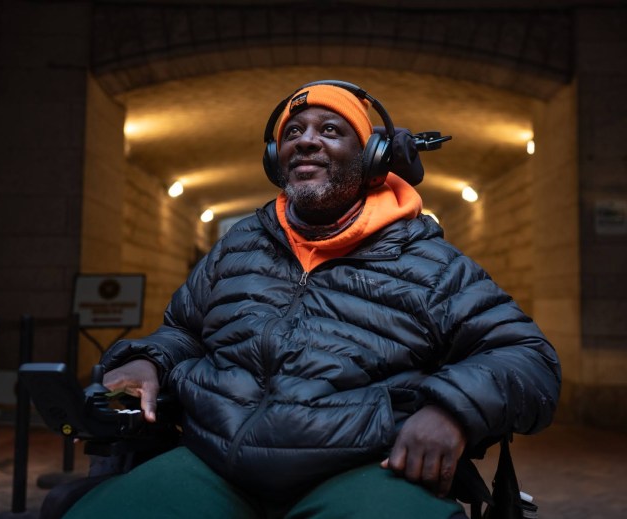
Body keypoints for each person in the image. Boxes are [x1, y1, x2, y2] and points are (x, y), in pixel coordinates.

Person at [64, 80, 561, 519]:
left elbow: (529, 359)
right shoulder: (239, 245)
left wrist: (451, 410)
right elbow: (183, 332)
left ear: (372, 158)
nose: (305, 139)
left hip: (363, 468)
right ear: (274, 159)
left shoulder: (433, 265)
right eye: (293, 131)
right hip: (211, 460)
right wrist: (146, 361)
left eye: (329, 130)